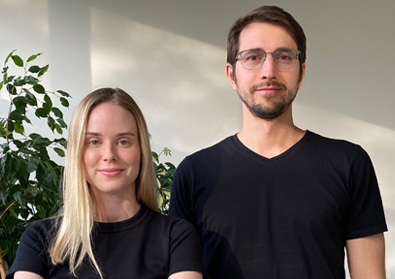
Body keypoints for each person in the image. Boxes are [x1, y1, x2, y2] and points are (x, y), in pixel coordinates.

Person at [169, 5, 387, 279]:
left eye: (284, 57)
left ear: (302, 72)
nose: (268, 71)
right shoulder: (193, 172)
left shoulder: (348, 163)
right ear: (231, 75)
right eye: (253, 57)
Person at [7, 88, 203, 279]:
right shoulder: (40, 239)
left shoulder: (176, 237)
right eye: (94, 142)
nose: (109, 155)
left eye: (123, 142)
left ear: (142, 151)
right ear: (77, 153)